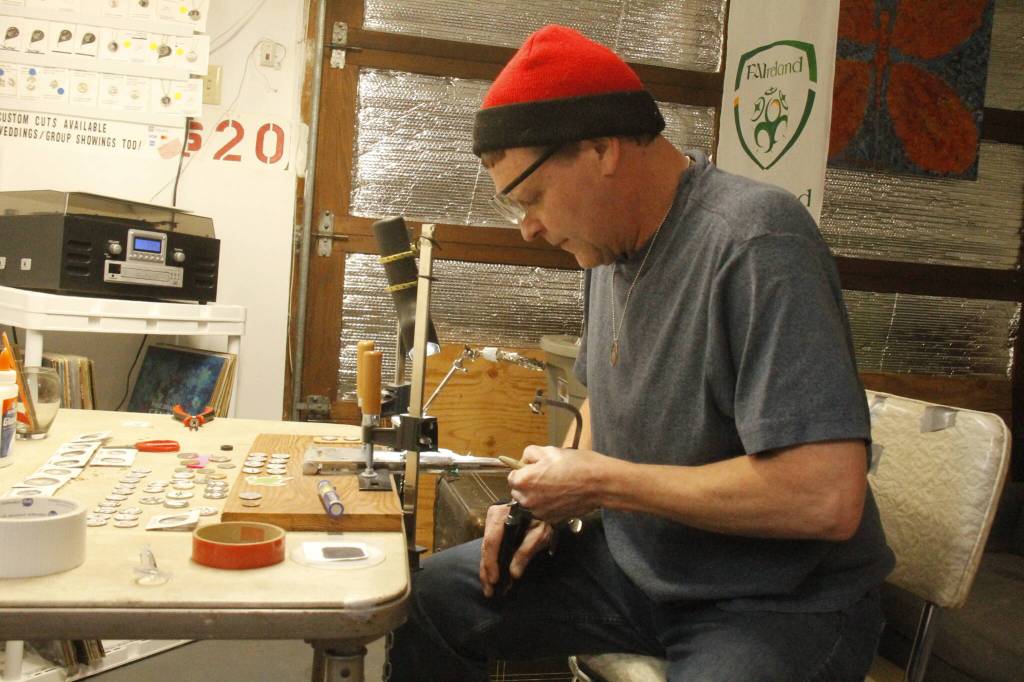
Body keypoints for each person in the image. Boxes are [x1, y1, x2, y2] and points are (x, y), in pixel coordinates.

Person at [389, 24, 894, 681]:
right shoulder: (608, 249)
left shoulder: (756, 244)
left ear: (601, 148)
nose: (528, 227)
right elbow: (607, 393)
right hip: (643, 569)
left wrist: (601, 483)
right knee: (430, 599)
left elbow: (826, 497)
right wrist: (549, 501)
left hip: (776, 602)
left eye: (532, 198)